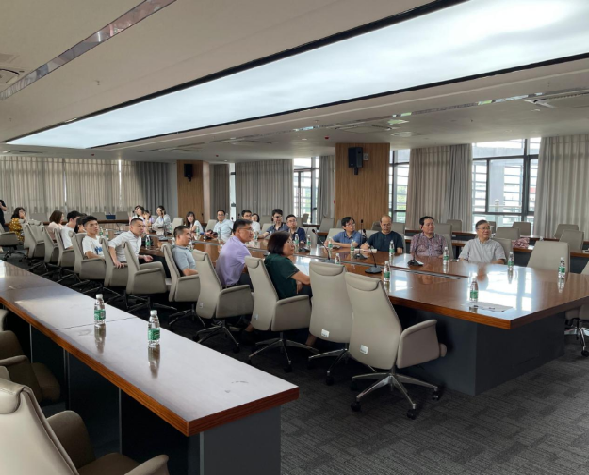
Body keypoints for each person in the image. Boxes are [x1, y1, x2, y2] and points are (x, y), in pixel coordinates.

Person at [264, 232, 315, 347]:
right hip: (288, 298)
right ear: (278, 244)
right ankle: (311, 338)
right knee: (319, 294)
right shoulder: (282, 262)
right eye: (288, 242)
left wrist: (298, 280)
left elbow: (290, 275)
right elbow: (307, 281)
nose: (293, 245)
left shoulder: (271, 258)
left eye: (292, 241)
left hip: (277, 296)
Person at [216, 218, 253, 287]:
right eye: (249, 229)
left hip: (221, 283)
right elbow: (253, 268)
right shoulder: (240, 247)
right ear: (238, 231)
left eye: (252, 230)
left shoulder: (230, 241)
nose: (252, 233)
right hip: (232, 286)